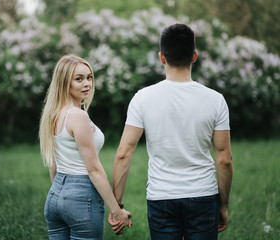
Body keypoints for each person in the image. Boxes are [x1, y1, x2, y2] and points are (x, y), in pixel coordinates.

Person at [108, 24, 233, 239]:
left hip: (161, 197)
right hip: (203, 196)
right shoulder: (215, 100)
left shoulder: (142, 98)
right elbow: (224, 160)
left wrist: (116, 205)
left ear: (161, 58)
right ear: (194, 56)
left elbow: (123, 153)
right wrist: (222, 205)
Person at [39, 54, 132, 239]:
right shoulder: (78, 116)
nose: (87, 83)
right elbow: (94, 169)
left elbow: (53, 165)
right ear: (65, 83)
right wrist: (116, 211)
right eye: (79, 79)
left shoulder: (53, 114)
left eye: (89, 77)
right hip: (81, 196)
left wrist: (63, 196)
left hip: (55, 195)